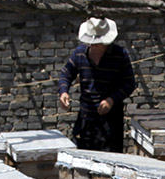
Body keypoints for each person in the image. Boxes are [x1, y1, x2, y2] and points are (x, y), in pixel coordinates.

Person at [58, 16, 137, 152]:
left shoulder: (120, 55)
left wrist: (111, 100)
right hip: (86, 119)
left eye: (99, 43)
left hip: (110, 122)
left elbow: (130, 83)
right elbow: (66, 75)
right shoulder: (79, 53)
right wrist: (63, 91)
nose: (95, 45)